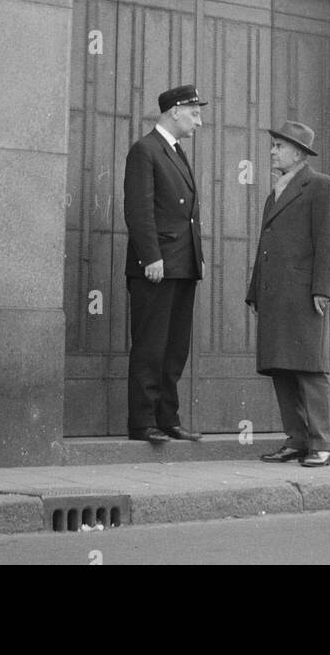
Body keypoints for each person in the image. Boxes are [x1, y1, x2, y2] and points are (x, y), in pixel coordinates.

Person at [246, 120, 330, 466]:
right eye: (273, 145)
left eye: (279, 146)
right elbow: (266, 246)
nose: (273, 151)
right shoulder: (276, 191)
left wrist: (324, 290)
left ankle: (321, 443)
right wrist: (254, 292)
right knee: (281, 367)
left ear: (300, 153)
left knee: (310, 368)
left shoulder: (321, 186)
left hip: (305, 295)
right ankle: (297, 439)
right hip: (275, 296)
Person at [123, 84, 207, 443]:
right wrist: (151, 257)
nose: (198, 122)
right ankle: (143, 423)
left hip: (183, 265)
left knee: (175, 347)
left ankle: (167, 419)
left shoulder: (175, 151)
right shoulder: (145, 150)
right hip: (157, 266)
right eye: (194, 113)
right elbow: (138, 209)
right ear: (175, 110)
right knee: (151, 345)